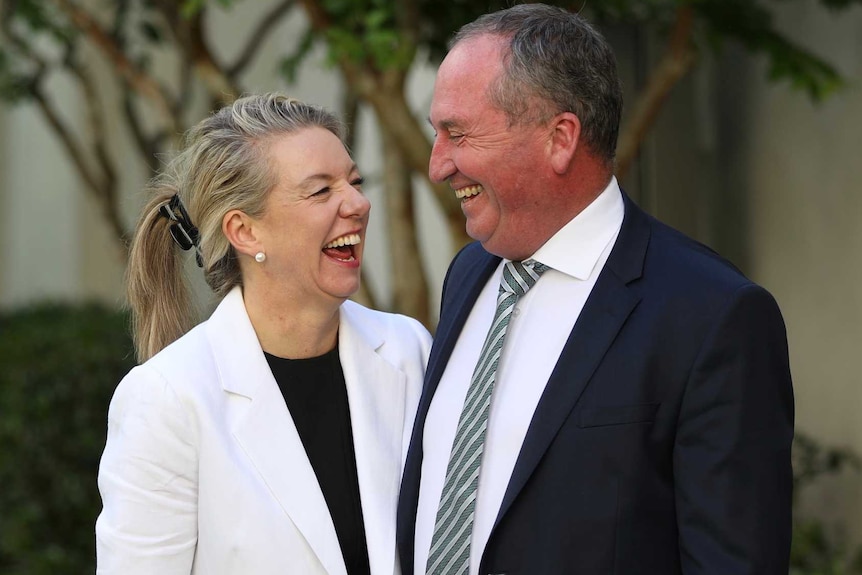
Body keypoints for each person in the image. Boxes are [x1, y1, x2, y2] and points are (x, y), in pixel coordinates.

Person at [397, 4, 793, 575]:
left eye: (457, 133)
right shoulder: (468, 273)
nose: (437, 165)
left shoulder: (712, 317)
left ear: (560, 138)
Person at [95, 94, 432, 575]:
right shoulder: (168, 399)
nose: (358, 203)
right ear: (245, 231)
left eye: (354, 182)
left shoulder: (407, 350)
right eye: (321, 191)